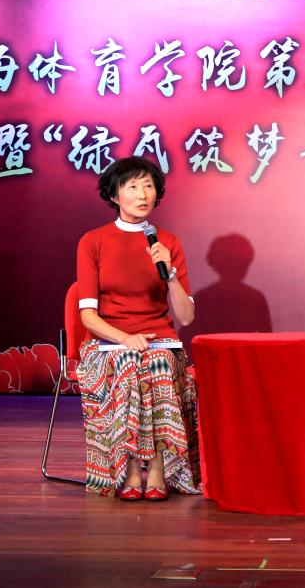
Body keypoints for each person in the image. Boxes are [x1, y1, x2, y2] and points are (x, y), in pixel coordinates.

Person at [75, 156, 200, 500]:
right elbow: (88, 317)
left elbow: (186, 317)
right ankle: (131, 470)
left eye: (148, 186)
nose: (143, 194)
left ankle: (157, 470)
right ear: (114, 195)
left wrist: (169, 274)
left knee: (157, 364)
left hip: (160, 344)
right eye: (132, 187)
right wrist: (125, 338)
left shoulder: (167, 242)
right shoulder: (93, 241)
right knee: (130, 364)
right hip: (108, 345)